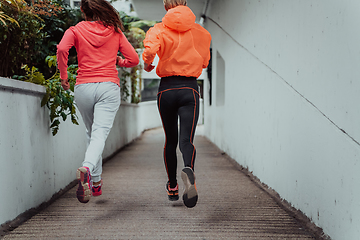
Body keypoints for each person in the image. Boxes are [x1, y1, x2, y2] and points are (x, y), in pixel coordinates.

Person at [57, 0, 139, 203]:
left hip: (84, 86)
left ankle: (96, 182)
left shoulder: (75, 30)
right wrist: (118, 60)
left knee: (92, 133)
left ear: (84, 11)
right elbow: (134, 59)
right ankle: (86, 168)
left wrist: (64, 76)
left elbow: (61, 50)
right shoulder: (115, 32)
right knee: (99, 135)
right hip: (108, 87)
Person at [142, 0, 211, 208]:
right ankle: (188, 169)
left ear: (166, 6)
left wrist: (148, 64)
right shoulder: (201, 32)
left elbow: (150, 50)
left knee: (170, 140)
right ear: (185, 3)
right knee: (186, 140)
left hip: (167, 89)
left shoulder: (158, 29)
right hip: (190, 88)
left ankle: (172, 185)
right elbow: (205, 61)